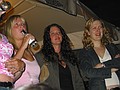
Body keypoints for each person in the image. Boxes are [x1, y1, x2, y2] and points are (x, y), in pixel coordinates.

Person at [35, 23, 85, 90]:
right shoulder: (41, 56)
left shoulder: (69, 56)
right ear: (48, 37)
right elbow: (36, 80)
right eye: (53, 33)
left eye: (59, 32)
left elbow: (78, 81)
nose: (57, 35)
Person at [77, 18, 120, 90]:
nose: (98, 30)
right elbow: (88, 73)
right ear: (88, 32)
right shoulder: (84, 52)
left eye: (100, 27)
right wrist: (111, 69)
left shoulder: (111, 47)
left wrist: (103, 65)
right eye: (94, 28)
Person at [4, 15, 40, 89]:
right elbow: (9, 72)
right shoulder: (8, 50)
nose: (21, 26)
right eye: (16, 24)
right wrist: (24, 45)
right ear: (9, 30)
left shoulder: (30, 53)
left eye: (23, 24)